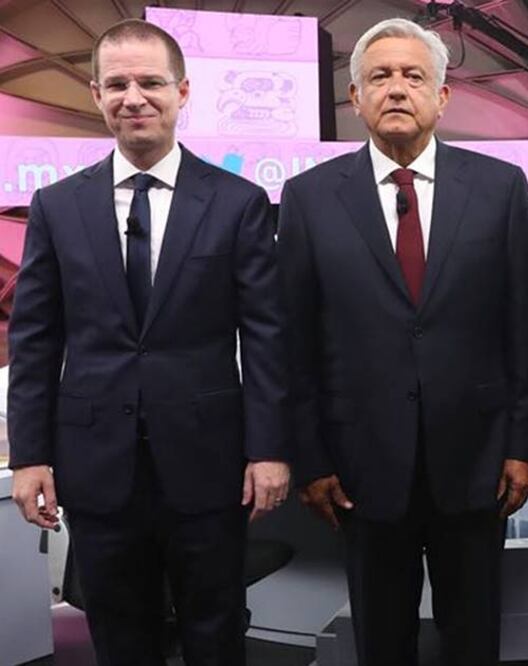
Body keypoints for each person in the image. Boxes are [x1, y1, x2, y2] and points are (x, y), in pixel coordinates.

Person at [6, 18, 290, 666]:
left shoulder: (239, 203)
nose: (134, 97)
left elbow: (268, 337)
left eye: (151, 82)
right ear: (95, 94)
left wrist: (269, 448)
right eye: (118, 84)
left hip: (209, 465)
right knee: (119, 633)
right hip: (97, 466)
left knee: (215, 631)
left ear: (182, 92)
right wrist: (30, 457)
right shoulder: (55, 206)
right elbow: (36, 339)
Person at [276, 17, 528, 666]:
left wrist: (519, 445)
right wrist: (310, 459)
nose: (397, 88)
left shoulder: (500, 188)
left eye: (413, 75)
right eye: (379, 77)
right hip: (359, 466)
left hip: (477, 460)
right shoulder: (308, 199)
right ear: (356, 98)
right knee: (382, 639)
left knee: (474, 634)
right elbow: (295, 341)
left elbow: (523, 330)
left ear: (442, 96)